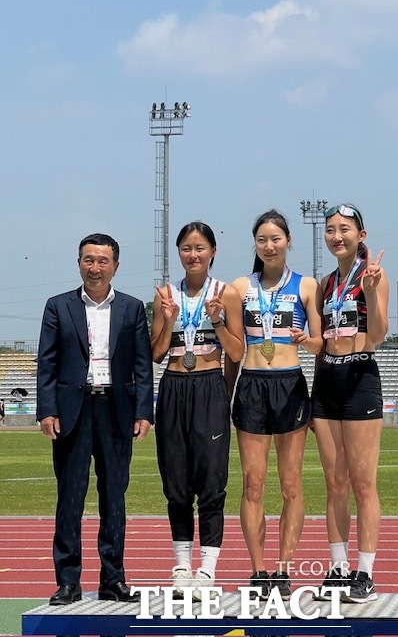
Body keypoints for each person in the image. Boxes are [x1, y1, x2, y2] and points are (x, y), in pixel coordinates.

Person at [37, 233, 153, 606]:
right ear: (79, 263)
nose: (95, 268)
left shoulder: (133, 309)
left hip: (116, 410)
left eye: (103, 261)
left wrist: (143, 412)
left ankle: (113, 579)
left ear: (116, 266)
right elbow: (47, 363)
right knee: (70, 497)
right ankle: (68, 581)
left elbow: (141, 364)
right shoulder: (58, 306)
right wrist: (47, 409)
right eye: (89, 260)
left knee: (113, 498)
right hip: (73, 411)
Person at [227, 209, 322, 601]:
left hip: (290, 385)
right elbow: (233, 349)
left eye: (276, 239)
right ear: (255, 244)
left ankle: (283, 569)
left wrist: (305, 338)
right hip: (251, 384)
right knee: (252, 485)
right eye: (262, 240)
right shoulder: (238, 287)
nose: (269, 246)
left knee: (291, 484)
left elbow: (320, 343)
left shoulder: (306, 286)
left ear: (288, 241)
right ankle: (259, 571)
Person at [151, 221, 244, 601]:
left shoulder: (228, 294)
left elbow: (237, 352)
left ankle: (207, 568)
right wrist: (170, 321)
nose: (193, 255)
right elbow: (155, 353)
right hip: (173, 386)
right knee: (176, 483)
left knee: (210, 481)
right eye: (186, 248)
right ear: (179, 253)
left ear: (212, 252)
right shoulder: (164, 295)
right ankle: (180, 566)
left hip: (210, 388)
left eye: (200, 248)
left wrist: (218, 319)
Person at [311, 203, 389, 604]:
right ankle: (338, 569)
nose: (336, 235)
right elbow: (320, 343)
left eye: (344, 229)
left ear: (361, 234)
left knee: (362, 482)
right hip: (327, 380)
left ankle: (366, 574)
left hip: (360, 376)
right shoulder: (324, 283)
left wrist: (372, 294)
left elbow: (377, 333)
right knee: (335, 483)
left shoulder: (373, 276)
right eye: (330, 229)